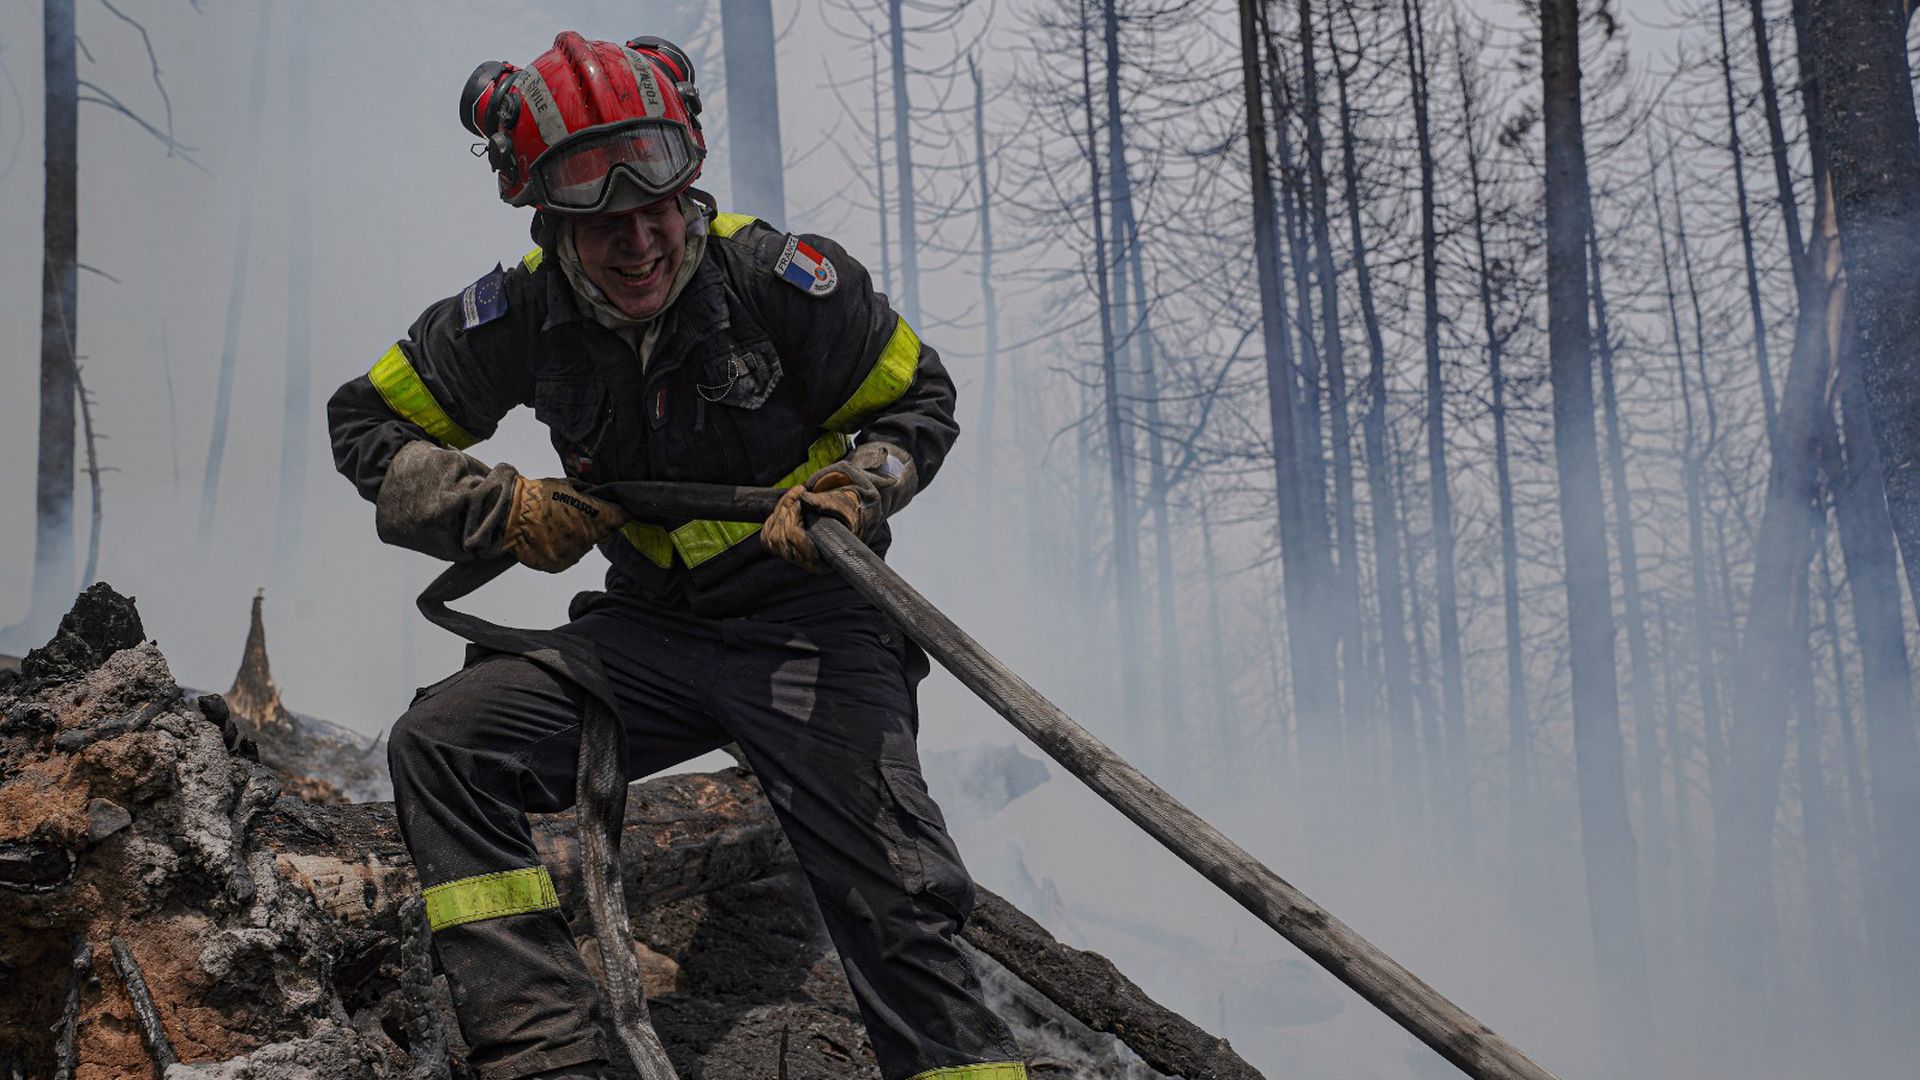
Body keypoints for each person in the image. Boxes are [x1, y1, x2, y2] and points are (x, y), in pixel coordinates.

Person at [326, 31, 1027, 1080]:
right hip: (649, 631)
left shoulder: (783, 281)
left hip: (810, 630)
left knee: (895, 900)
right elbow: (365, 425)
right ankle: (556, 1055)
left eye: (659, 207)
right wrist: (500, 510)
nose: (642, 241)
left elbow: (915, 402)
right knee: (444, 743)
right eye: (604, 222)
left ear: (689, 178)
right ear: (546, 217)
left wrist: (850, 488)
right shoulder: (515, 315)